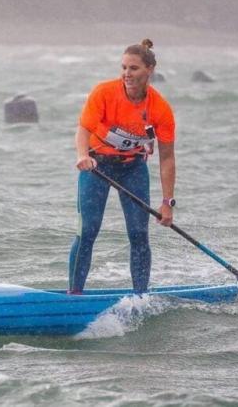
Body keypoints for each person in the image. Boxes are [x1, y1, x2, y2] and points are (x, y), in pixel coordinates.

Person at [68, 39, 176, 295]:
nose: (127, 74)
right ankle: (74, 296)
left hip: (132, 169)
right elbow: (83, 129)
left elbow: (167, 158)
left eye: (134, 68)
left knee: (139, 234)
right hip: (96, 166)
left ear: (149, 70)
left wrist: (167, 203)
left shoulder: (160, 109)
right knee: (87, 231)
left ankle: (140, 297)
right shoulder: (104, 92)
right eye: (124, 67)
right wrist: (83, 156)